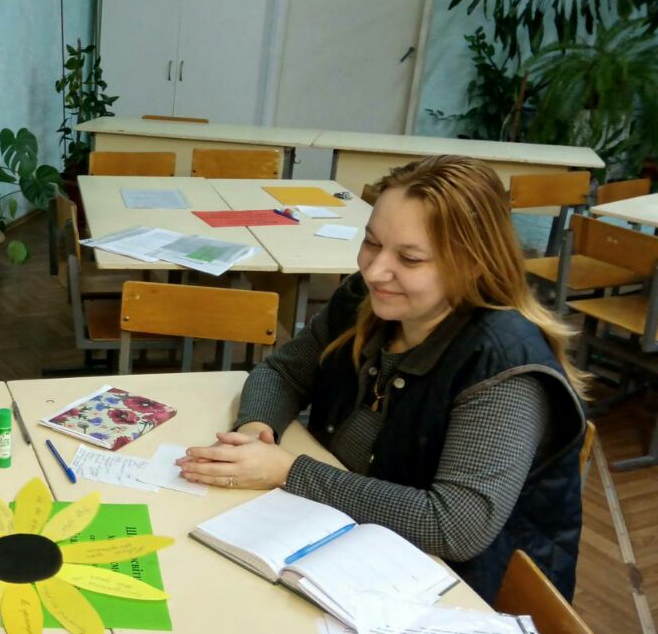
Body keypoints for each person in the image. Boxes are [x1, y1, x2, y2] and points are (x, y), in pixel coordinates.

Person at [178, 156, 588, 602]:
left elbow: (454, 527)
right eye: (372, 243)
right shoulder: (368, 299)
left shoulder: (503, 365)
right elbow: (283, 371)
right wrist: (255, 433)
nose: (374, 272)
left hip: (464, 594)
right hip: (351, 542)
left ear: (473, 264)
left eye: (409, 258)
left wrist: (287, 471)